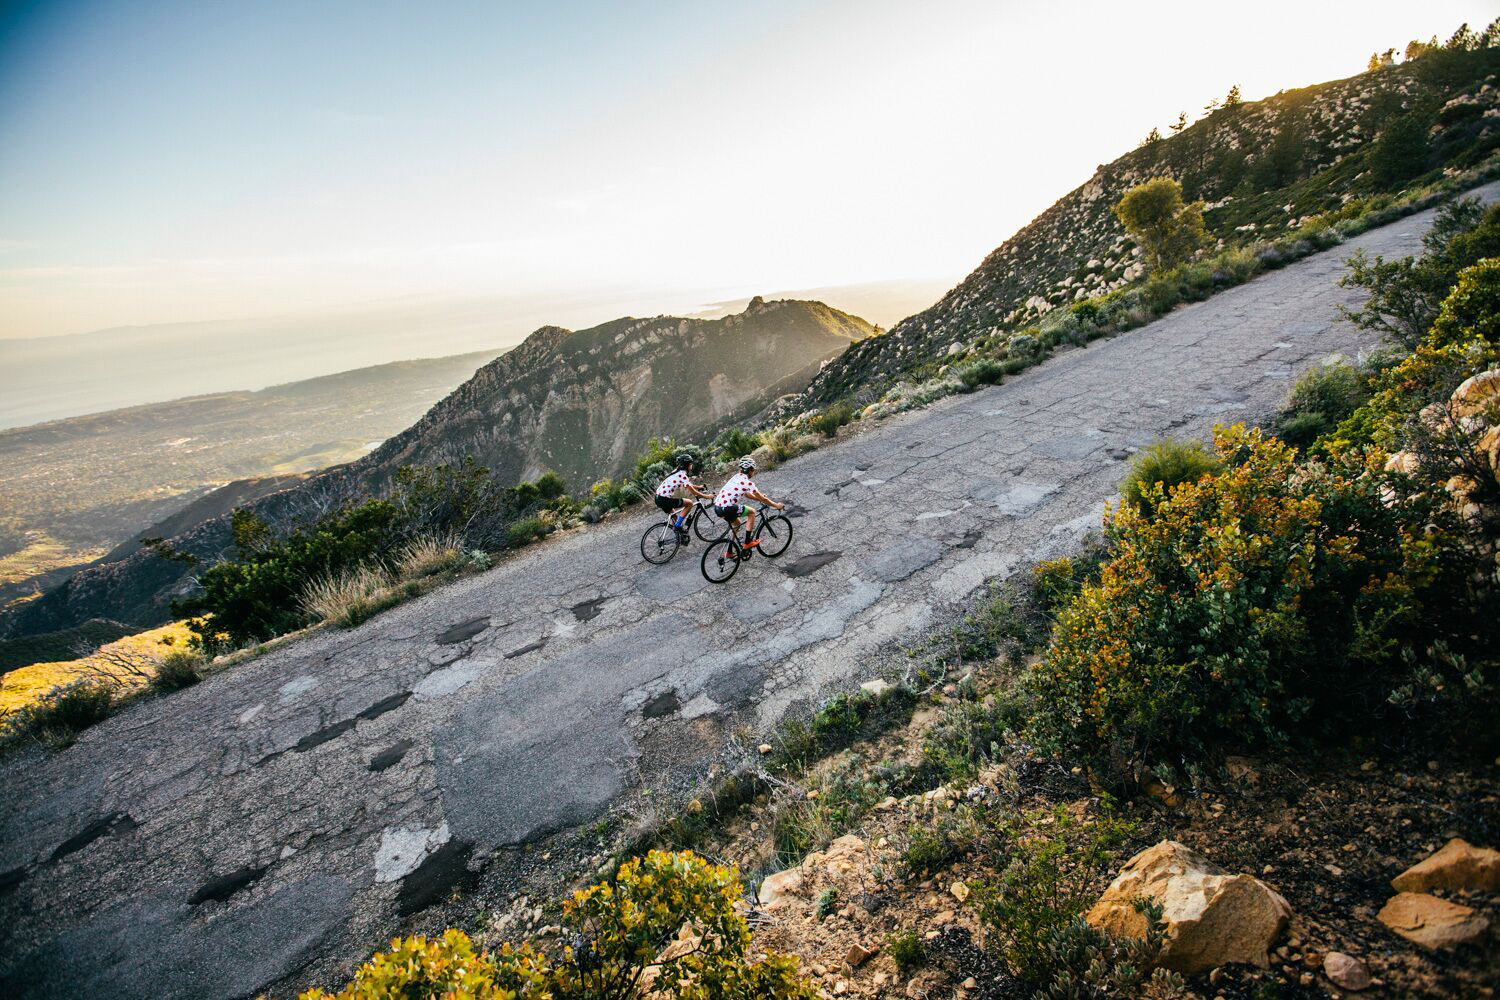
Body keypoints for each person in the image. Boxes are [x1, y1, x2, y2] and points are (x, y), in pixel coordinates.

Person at [713, 456, 784, 551]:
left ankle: (729, 552)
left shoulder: (736, 477)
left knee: (736, 525)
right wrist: (777, 505)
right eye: (753, 470)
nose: (753, 472)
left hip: (717, 507)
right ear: (750, 470)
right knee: (752, 512)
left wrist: (759, 499)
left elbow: (746, 494)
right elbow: (764, 499)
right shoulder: (748, 483)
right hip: (727, 508)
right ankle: (747, 542)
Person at [655, 453, 712, 541]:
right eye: (691, 463)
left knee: (675, 517)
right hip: (664, 499)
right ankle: (677, 528)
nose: (692, 465)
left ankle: (679, 538)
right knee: (689, 503)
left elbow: (688, 485)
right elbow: (693, 492)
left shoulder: (677, 471)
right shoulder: (682, 475)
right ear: (688, 465)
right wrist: (707, 496)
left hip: (658, 497)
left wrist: (699, 487)